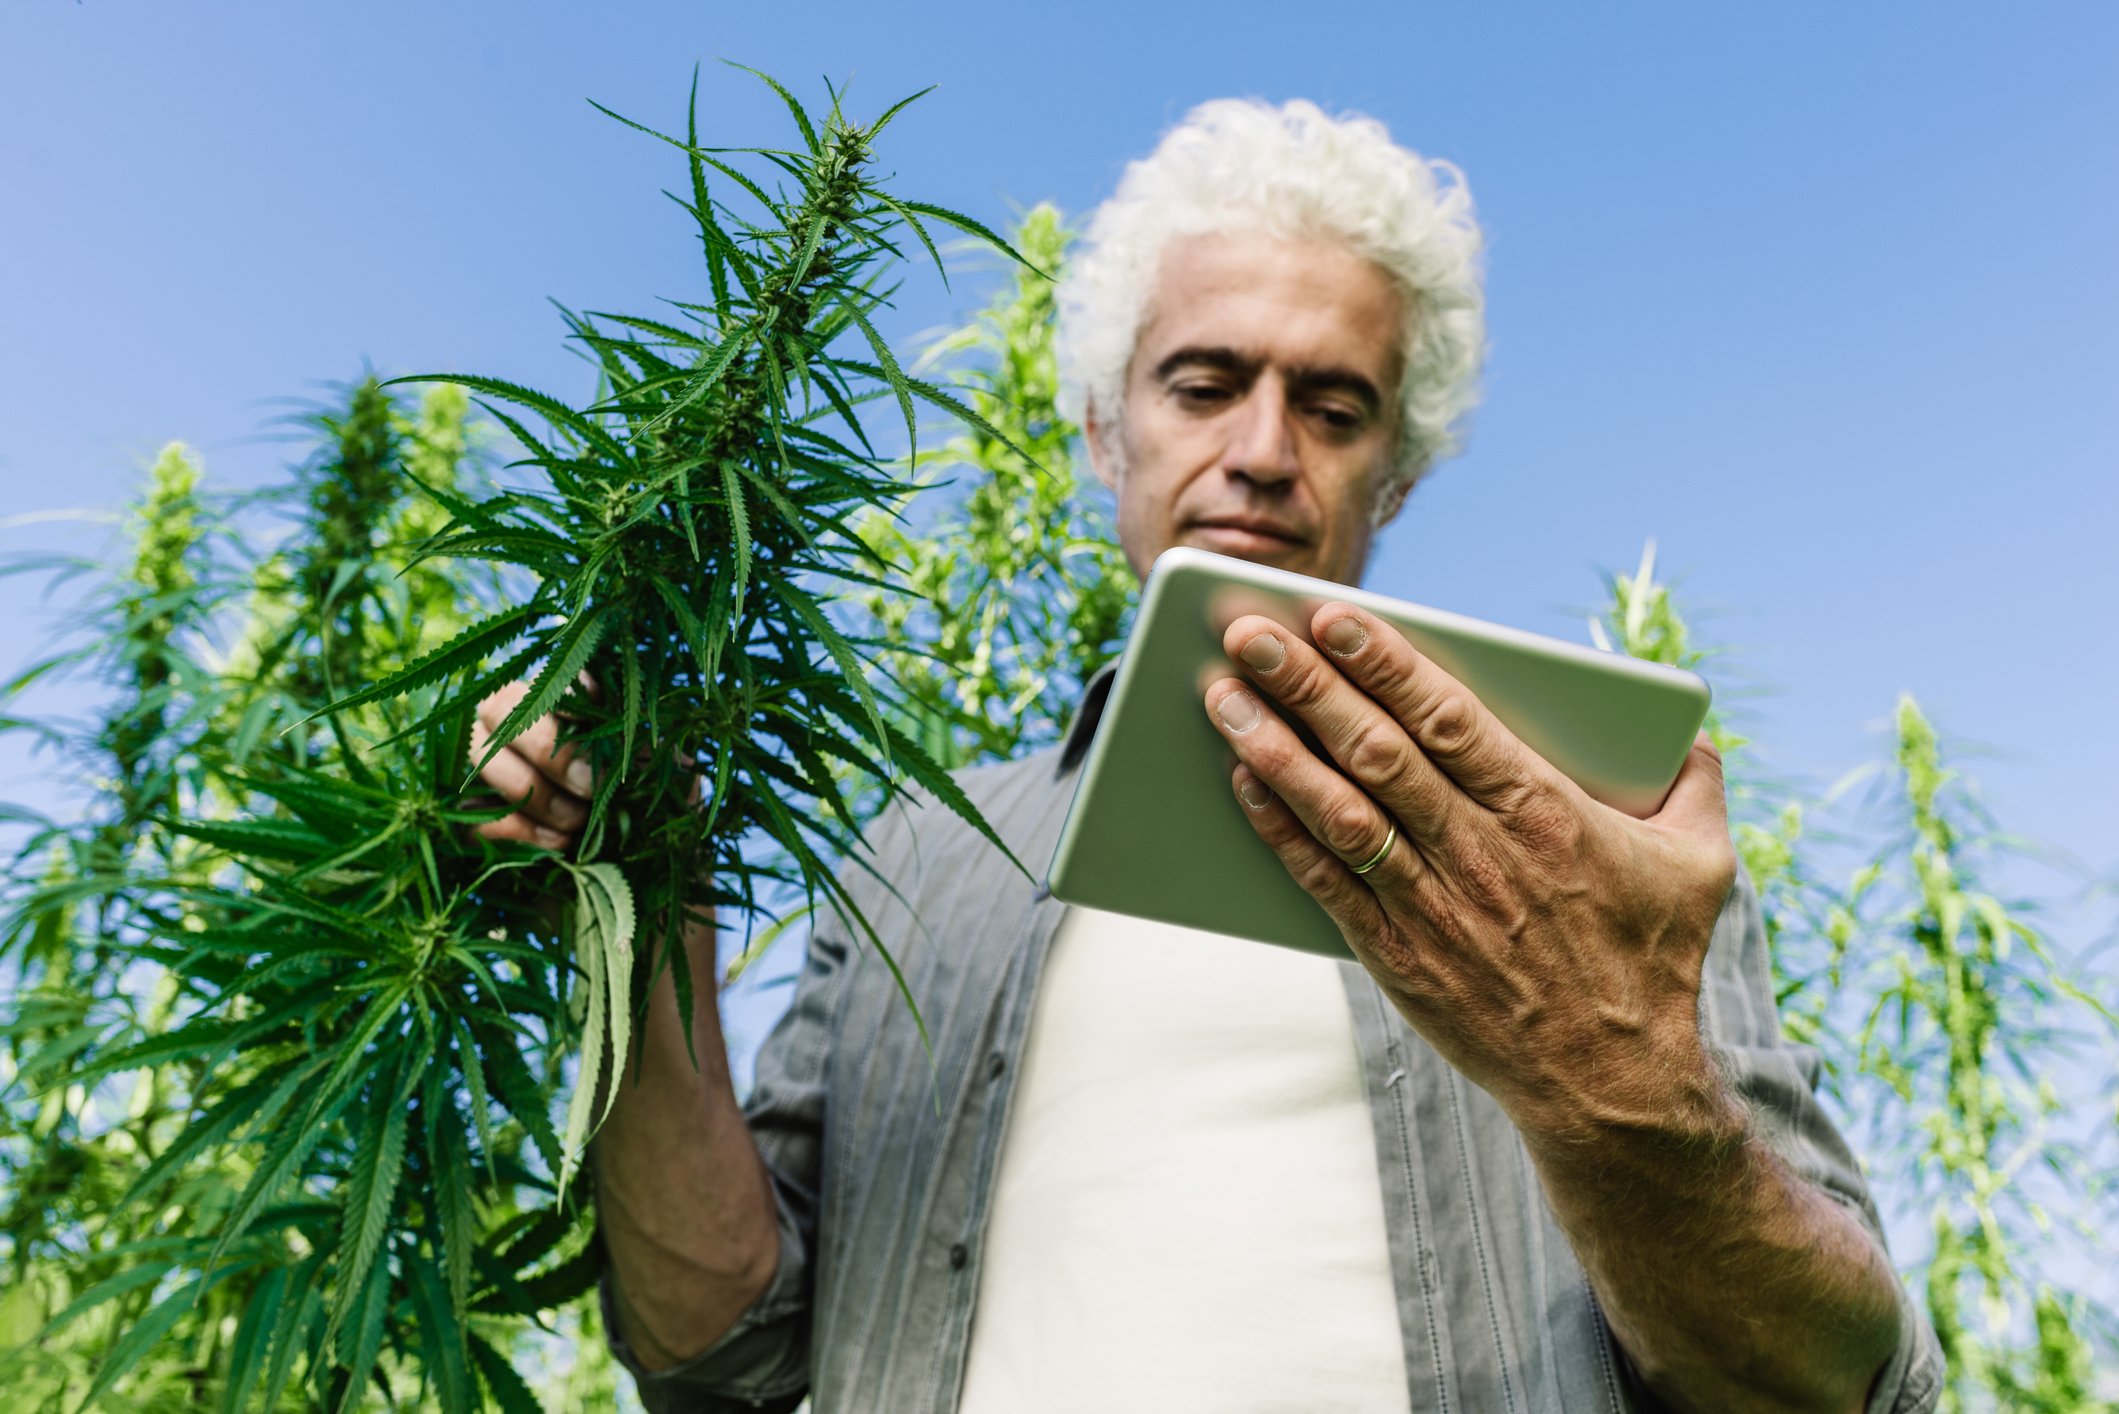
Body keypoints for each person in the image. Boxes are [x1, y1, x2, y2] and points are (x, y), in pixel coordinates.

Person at [473, 99, 1944, 1413]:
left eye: (1333, 404)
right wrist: (644, 914)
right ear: (1105, 431)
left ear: (1402, 470)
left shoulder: (1583, 842)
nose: (1260, 448)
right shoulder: (919, 855)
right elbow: (713, 1352)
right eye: (1202, 382)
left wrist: (1612, 1087)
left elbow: (1830, 1381)